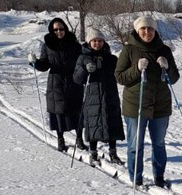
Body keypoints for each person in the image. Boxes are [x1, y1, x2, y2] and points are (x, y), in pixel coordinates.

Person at [115, 15, 180, 188]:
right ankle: (136, 177)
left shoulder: (164, 50)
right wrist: (136, 69)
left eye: (150, 29)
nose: (147, 32)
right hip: (136, 105)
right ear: (137, 30)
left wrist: (167, 67)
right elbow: (119, 77)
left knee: (158, 143)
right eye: (143, 29)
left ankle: (159, 176)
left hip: (160, 105)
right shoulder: (129, 50)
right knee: (135, 145)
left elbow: (173, 78)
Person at [28, 17, 83, 152]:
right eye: (56, 30)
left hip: (73, 81)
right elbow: (44, 65)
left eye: (61, 29)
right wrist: (35, 62)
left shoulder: (74, 44)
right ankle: (60, 139)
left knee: (76, 110)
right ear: (52, 31)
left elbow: (81, 60)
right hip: (56, 82)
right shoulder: (48, 46)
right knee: (59, 111)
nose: (59, 32)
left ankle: (79, 138)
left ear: (65, 28)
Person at [72, 27, 124, 166]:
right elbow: (77, 79)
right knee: (93, 124)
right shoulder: (83, 58)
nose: (97, 43)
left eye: (100, 41)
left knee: (112, 123)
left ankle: (113, 153)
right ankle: (93, 153)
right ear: (89, 42)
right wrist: (84, 70)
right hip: (92, 97)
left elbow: (119, 74)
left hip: (110, 94)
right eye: (94, 41)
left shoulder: (111, 58)